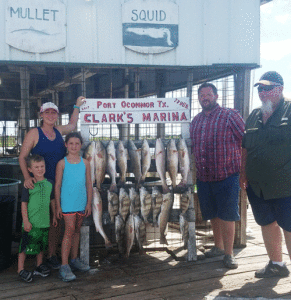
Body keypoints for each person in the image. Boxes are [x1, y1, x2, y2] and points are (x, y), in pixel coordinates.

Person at [19, 96, 85, 270]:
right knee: (39, 220)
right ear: (41, 115)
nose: (50, 115)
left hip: (57, 185)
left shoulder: (58, 131)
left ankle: (52, 255)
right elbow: (22, 157)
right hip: (39, 185)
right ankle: (33, 258)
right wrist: (27, 177)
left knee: (56, 220)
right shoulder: (34, 133)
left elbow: (72, 125)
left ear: (57, 115)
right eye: (47, 112)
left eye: (53, 112)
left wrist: (76, 105)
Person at [240, 71, 291, 278]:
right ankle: (276, 265)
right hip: (257, 186)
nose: (262, 93)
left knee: (289, 227)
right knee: (266, 223)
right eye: (260, 89)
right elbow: (245, 148)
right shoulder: (253, 115)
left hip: (285, 185)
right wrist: (243, 174)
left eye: (267, 88)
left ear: (279, 88)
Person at [190, 82, 245, 269]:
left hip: (228, 175)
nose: (205, 98)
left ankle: (229, 254)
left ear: (216, 96)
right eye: (201, 95)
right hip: (204, 178)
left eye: (208, 94)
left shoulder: (230, 115)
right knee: (213, 214)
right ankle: (218, 246)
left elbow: (245, 141)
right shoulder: (196, 121)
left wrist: (245, 171)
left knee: (227, 215)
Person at [55, 132, 92, 282]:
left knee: (77, 230)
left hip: (81, 202)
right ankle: (64, 265)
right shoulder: (62, 163)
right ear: (66, 145)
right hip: (67, 202)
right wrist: (58, 206)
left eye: (77, 144)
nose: (74, 146)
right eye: (71, 143)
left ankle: (74, 259)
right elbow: (57, 185)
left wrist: (89, 203)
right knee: (69, 231)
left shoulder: (86, 163)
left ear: (81, 145)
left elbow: (89, 184)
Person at [18, 154, 57, 282]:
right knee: (24, 247)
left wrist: (54, 215)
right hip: (31, 223)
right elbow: (24, 203)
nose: (40, 169)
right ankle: (20, 269)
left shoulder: (50, 183)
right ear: (30, 169)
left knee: (41, 246)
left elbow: (52, 200)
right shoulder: (28, 185)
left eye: (42, 166)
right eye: (36, 167)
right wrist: (25, 221)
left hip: (44, 222)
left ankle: (39, 266)